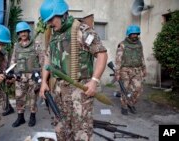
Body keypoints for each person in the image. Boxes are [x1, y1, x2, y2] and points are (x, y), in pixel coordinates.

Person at [39, 0, 108, 140]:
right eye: (48, 21)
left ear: (62, 14)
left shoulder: (82, 30)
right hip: (58, 91)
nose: (50, 24)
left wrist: (94, 81)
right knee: (61, 128)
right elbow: (47, 58)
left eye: (51, 19)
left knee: (82, 131)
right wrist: (43, 83)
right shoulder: (54, 34)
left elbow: (102, 54)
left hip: (79, 91)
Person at [9, 21, 43, 127]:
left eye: (24, 32)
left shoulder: (36, 44)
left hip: (33, 76)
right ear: (18, 34)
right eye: (20, 32)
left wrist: (42, 75)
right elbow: (13, 60)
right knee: (19, 97)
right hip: (20, 77)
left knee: (33, 97)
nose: (23, 34)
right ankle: (20, 118)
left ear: (28, 32)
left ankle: (32, 117)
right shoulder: (16, 46)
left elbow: (42, 59)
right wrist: (11, 73)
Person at [115, 25, 146, 115]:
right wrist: (117, 73)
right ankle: (124, 106)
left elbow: (141, 56)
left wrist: (144, 68)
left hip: (137, 70)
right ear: (129, 34)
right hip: (125, 70)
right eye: (133, 34)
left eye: (136, 34)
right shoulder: (122, 44)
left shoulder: (139, 43)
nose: (135, 35)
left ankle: (131, 103)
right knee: (125, 89)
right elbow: (118, 59)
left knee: (138, 89)